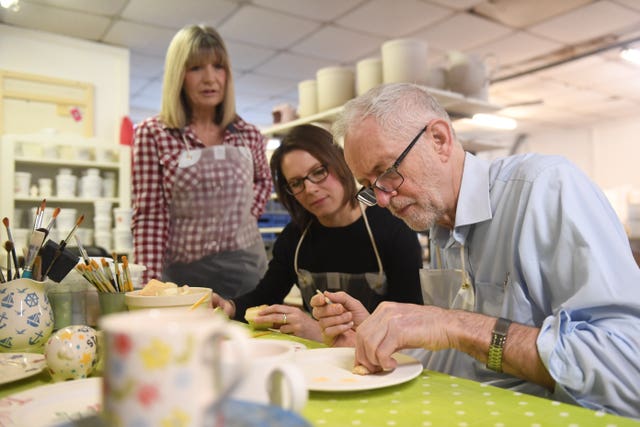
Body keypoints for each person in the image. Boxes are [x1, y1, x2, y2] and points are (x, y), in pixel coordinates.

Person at [310, 83, 640, 418]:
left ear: (439, 140)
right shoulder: (439, 225)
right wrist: (380, 344)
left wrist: (454, 324)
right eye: (369, 187)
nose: (381, 199)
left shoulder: (547, 188)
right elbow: (465, 355)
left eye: (387, 173)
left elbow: (627, 370)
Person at [212, 124, 423, 341]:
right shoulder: (295, 238)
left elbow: (408, 323)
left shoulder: (392, 228)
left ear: (342, 164)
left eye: (318, 172)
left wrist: (318, 332)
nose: (310, 189)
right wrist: (229, 307)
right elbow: (265, 296)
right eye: (296, 183)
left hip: (388, 366)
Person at [132, 25, 271, 298]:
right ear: (178, 76)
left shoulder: (248, 135)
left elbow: (263, 181)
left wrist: (241, 218)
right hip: (185, 280)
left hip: (246, 274)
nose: (210, 78)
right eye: (196, 68)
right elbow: (150, 215)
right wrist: (149, 287)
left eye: (218, 67)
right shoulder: (154, 133)